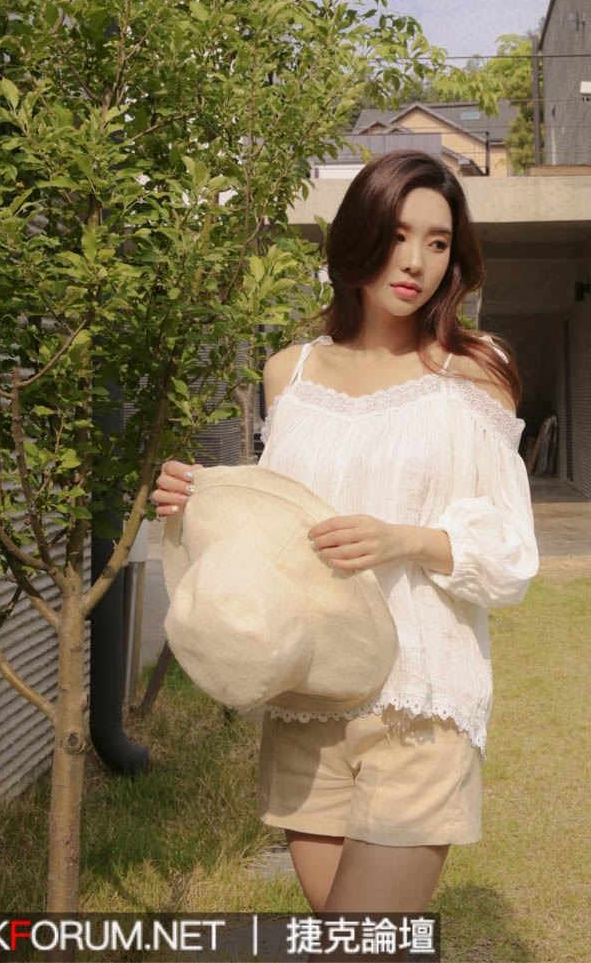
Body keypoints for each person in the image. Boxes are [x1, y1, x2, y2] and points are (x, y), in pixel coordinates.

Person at [152, 149, 539, 915]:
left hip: (421, 703)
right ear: (360, 236)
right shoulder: (289, 374)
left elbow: (511, 555)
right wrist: (194, 501)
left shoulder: (474, 370)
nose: (417, 261)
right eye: (398, 235)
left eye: (437, 242)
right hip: (307, 695)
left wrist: (406, 540)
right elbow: (275, 526)